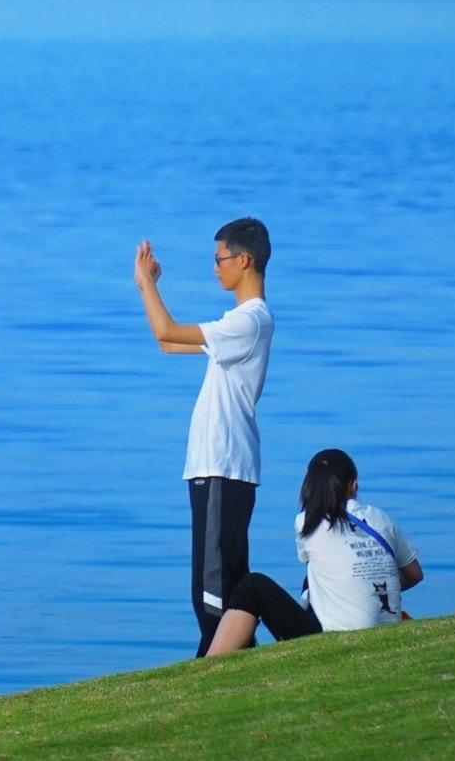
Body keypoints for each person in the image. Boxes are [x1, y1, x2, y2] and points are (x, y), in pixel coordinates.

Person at [134, 218, 274, 657]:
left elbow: (166, 331)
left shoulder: (248, 322)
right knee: (224, 591)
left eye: (219, 259)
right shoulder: (240, 324)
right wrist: (147, 289)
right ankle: (239, 669)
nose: (215, 268)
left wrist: (144, 282)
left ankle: (211, 676)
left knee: (213, 597)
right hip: (221, 467)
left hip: (222, 465)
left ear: (244, 259)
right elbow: (169, 345)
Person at [206, 447, 423, 655]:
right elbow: (415, 574)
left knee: (252, 587)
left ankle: (211, 662)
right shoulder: (381, 517)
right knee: (311, 582)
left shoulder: (306, 521)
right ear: (353, 485)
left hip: (333, 636)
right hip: (385, 625)